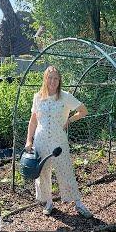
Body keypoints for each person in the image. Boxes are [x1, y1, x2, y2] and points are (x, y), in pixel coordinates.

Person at [25, 66, 93, 218]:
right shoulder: (38, 97)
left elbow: (84, 110)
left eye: (56, 78)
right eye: (50, 78)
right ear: (45, 79)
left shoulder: (65, 97)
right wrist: (29, 140)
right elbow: (33, 121)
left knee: (65, 170)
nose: (53, 81)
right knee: (43, 172)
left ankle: (78, 203)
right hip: (41, 140)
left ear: (59, 80)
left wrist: (70, 119)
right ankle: (48, 203)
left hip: (59, 141)